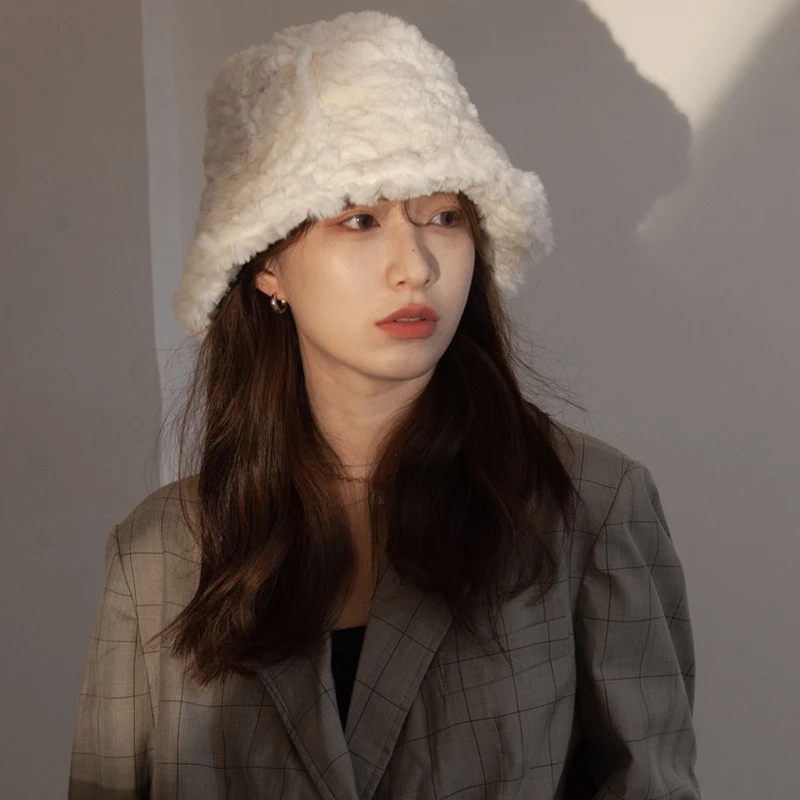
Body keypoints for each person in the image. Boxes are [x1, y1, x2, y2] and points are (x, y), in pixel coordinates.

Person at [68, 10, 700, 799]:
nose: (416, 266)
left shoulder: (587, 507)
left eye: (444, 217)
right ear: (266, 263)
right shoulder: (157, 556)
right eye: (360, 219)